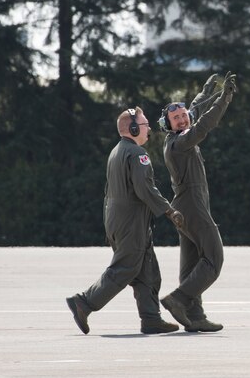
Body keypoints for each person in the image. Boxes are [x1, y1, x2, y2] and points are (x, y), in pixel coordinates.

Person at [66, 107, 185, 335]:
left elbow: (107, 191)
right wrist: (170, 211)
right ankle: (84, 302)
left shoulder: (116, 151)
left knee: (147, 270)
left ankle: (151, 319)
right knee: (125, 269)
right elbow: (145, 188)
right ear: (132, 129)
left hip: (120, 221)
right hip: (131, 223)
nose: (149, 128)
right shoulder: (137, 154)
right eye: (144, 125)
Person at [158, 71, 237, 332]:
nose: (181, 120)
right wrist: (223, 99)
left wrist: (205, 92)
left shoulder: (178, 137)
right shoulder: (180, 143)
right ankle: (178, 299)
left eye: (182, 117)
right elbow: (203, 124)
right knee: (214, 258)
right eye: (175, 118)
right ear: (167, 125)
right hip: (192, 205)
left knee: (191, 264)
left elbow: (193, 113)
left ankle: (195, 317)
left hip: (184, 207)